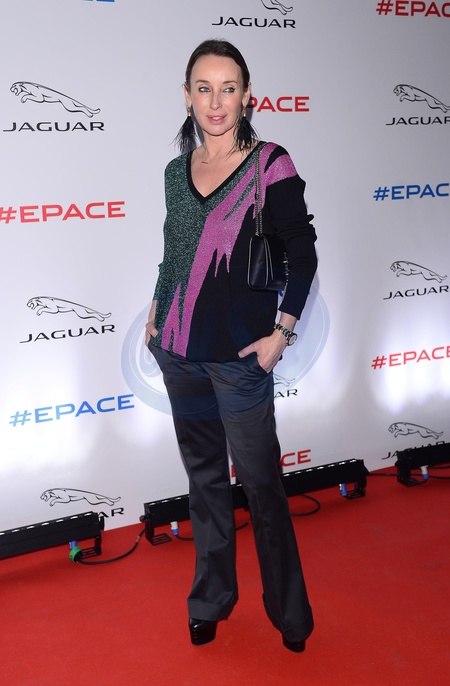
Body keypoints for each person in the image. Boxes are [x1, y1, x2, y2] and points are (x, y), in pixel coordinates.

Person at [145, 39, 317, 652]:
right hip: (179, 355)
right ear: (187, 96)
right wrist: (157, 312)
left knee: (263, 486)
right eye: (204, 88)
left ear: (247, 96)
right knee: (205, 482)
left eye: (227, 88)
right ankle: (211, 599)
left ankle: (290, 615)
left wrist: (282, 333)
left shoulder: (270, 165)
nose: (215, 102)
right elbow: (174, 251)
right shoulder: (176, 172)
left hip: (242, 361)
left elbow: (303, 255)